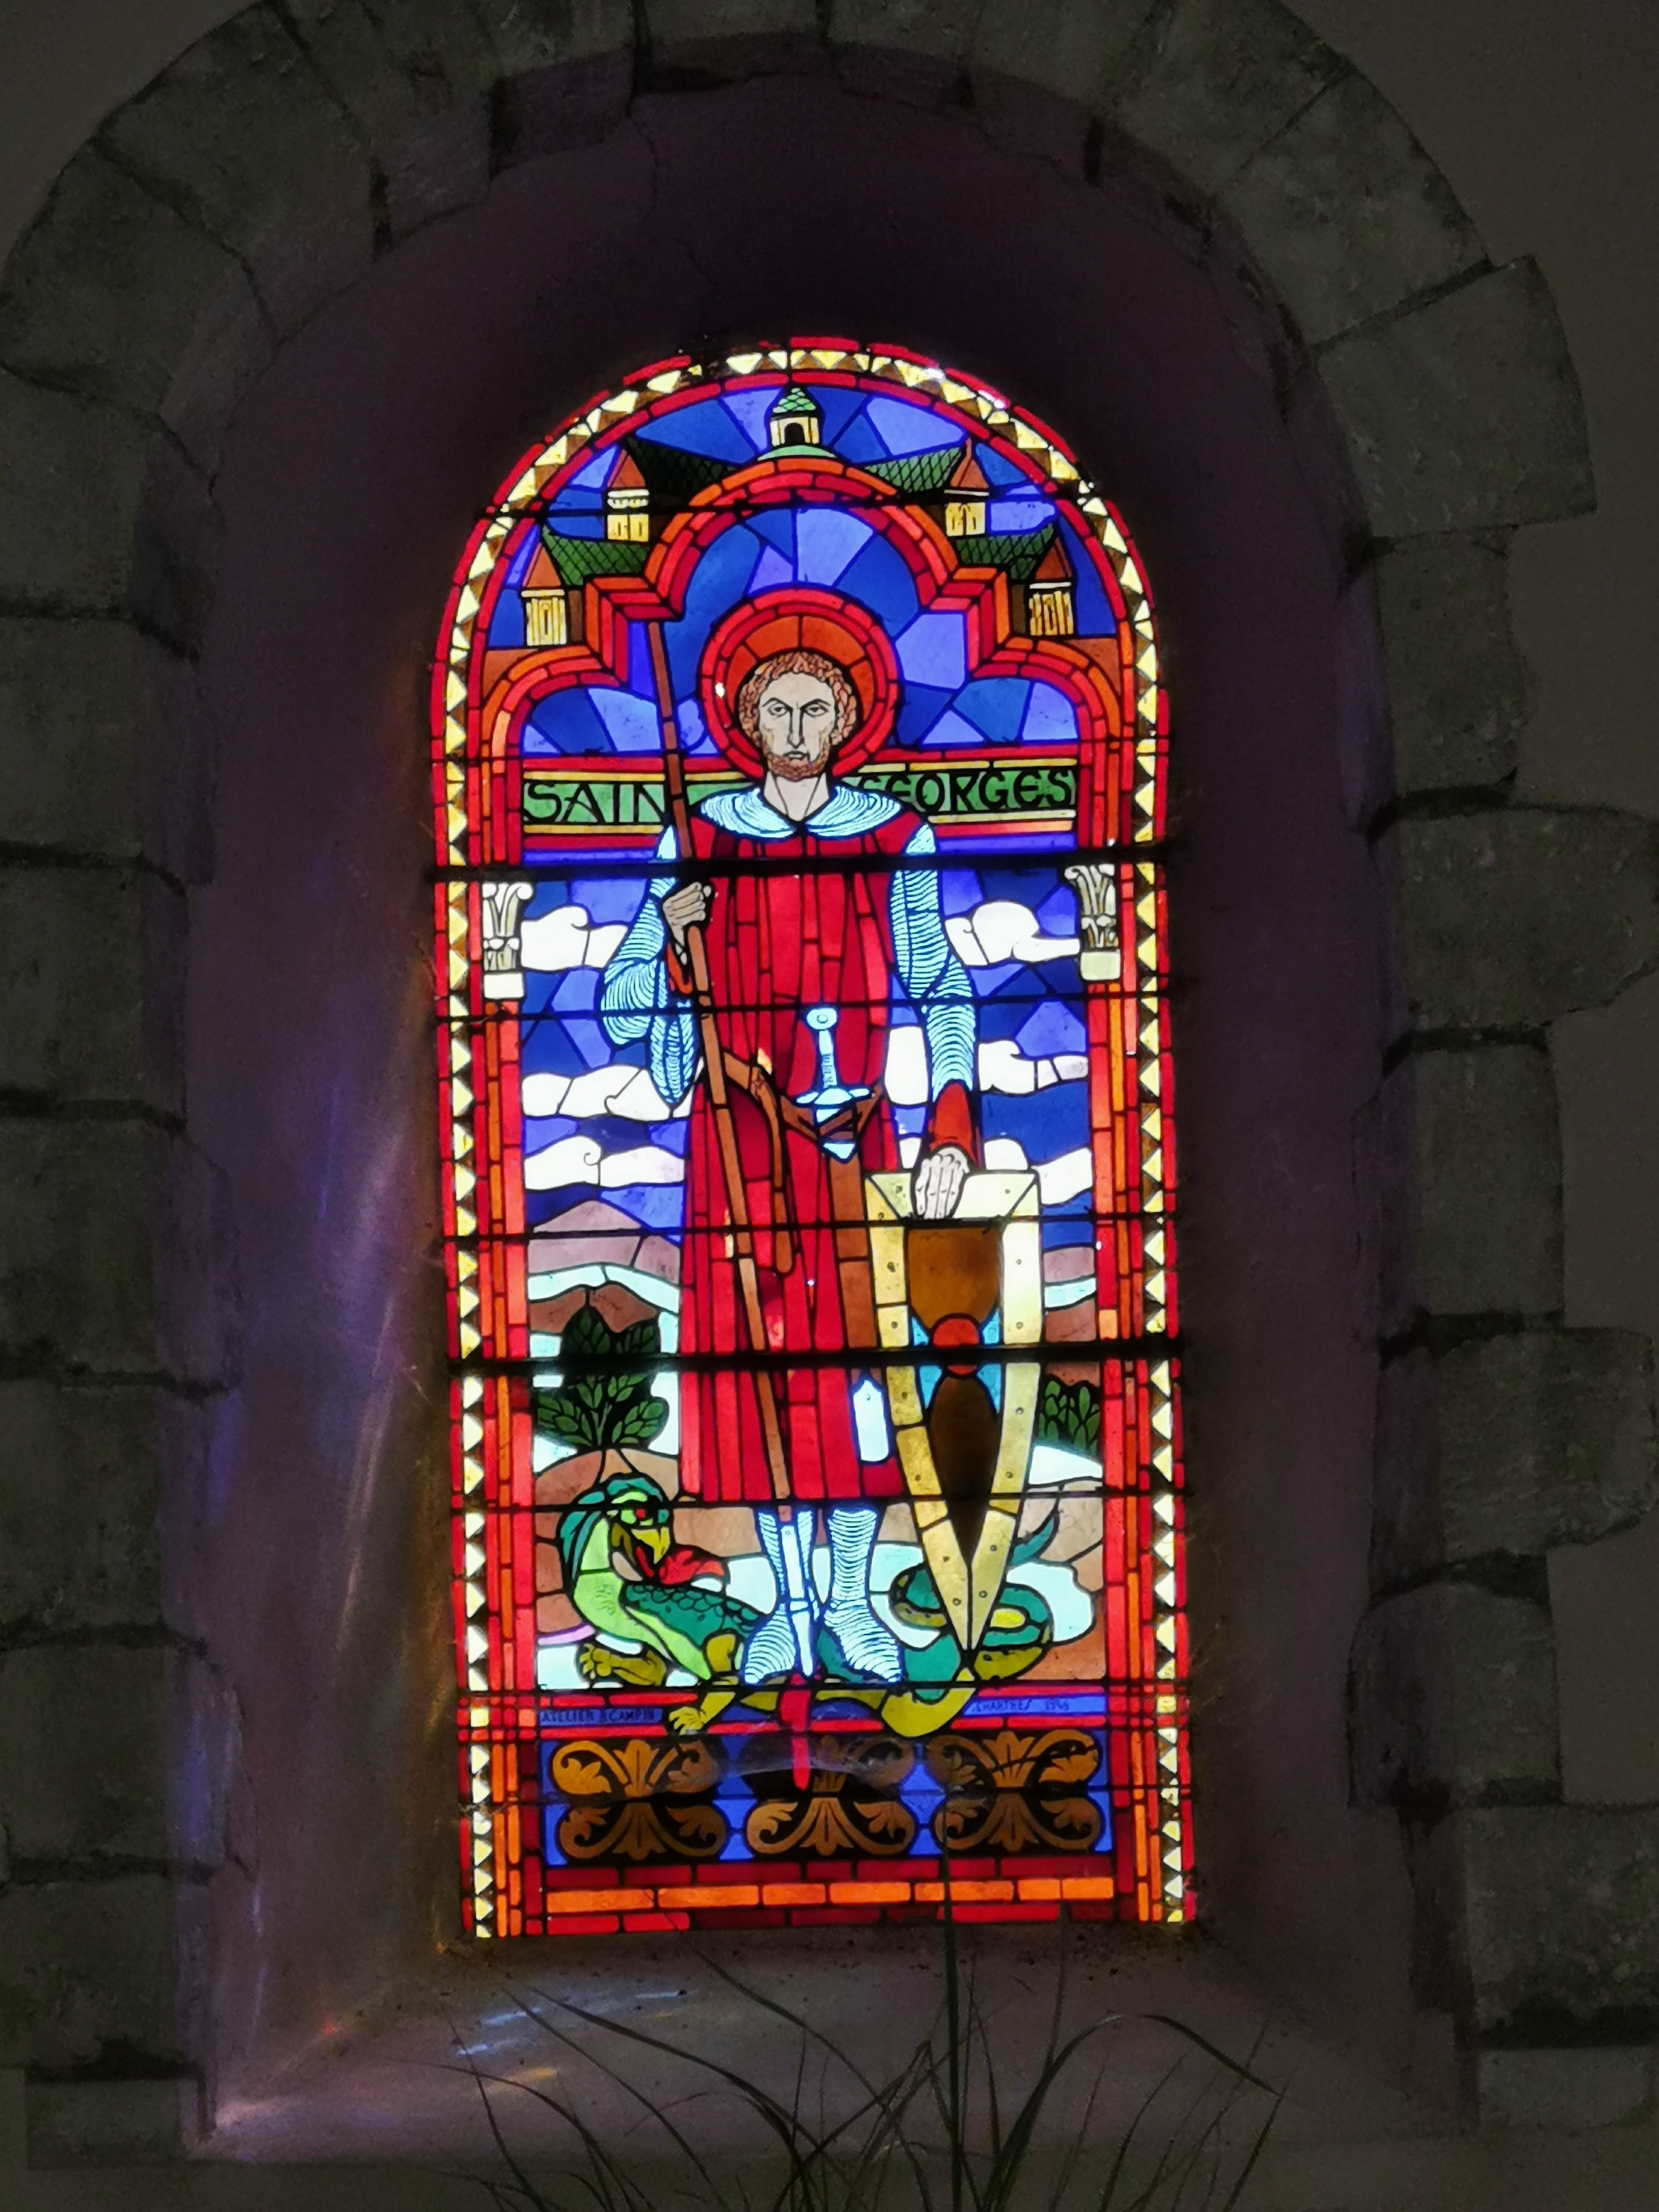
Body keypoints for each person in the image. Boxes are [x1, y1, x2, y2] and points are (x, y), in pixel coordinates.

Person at [598, 645, 977, 1684]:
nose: (799, 730)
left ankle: (848, 1601)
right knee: (761, 1369)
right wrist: (670, 937)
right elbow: (619, 1004)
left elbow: (940, 980)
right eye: (779, 710)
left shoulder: (894, 835)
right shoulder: (699, 838)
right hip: (741, 1147)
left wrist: (951, 1128)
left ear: (848, 718)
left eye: (817, 709)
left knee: (858, 1376)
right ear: (749, 723)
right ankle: (787, 1603)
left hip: (855, 1146)